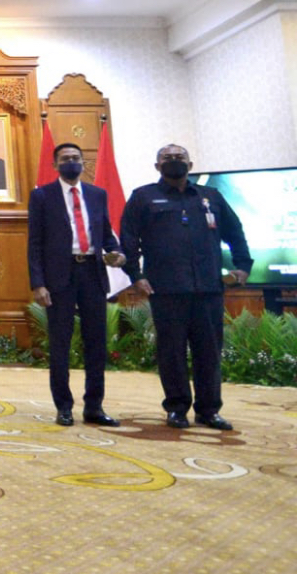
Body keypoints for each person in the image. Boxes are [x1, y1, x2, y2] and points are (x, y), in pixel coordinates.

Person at [120, 144, 251, 431]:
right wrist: (135, 275)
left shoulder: (210, 197)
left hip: (208, 288)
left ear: (190, 165)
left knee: (208, 352)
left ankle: (208, 410)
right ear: (157, 166)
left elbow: (235, 231)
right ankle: (177, 408)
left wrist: (243, 266)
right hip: (165, 290)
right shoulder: (143, 197)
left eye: (180, 158)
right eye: (167, 158)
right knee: (172, 352)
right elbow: (128, 239)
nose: (174, 162)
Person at [27, 142, 125, 427]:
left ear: (84, 163)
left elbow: (105, 233)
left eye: (76, 158)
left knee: (96, 343)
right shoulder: (42, 196)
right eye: (65, 159)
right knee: (60, 343)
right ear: (55, 165)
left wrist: (116, 252)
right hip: (59, 276)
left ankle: (94, 406)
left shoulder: (97, 194)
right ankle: (64, 407)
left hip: (92, 274)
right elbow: (34, 243)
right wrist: (38, 283)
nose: (71, 162)